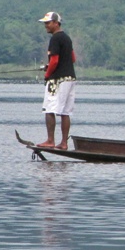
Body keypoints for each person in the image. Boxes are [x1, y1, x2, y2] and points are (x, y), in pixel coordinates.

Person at [36, 11, 77, 149]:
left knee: (49, 109)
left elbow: (54, 61)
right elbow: (72, 59)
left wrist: (47, 74)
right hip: (70, 78)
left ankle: (50, 140)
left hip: (58, 80)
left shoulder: (55, 39)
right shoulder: (67, 38)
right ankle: (64, 143)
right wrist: (53, 66)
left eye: (48, 23)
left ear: (56, 23)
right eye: (45, 23)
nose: (46, 25)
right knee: (65, 112)